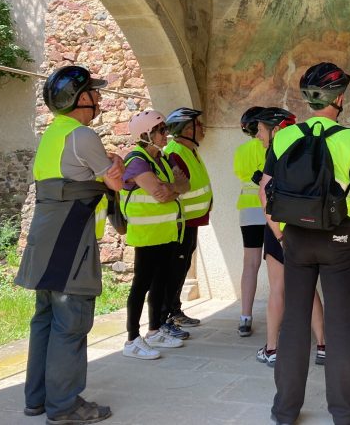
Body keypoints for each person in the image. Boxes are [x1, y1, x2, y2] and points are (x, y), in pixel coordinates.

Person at [261, 62, 350, 425]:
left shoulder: (283, 137)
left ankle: (285, 411)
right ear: (340, 98)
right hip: (338, 240)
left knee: (294, 323)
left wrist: (281, 234)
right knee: (340, 326)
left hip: (295, 238)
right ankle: (343, 412)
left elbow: (264, 190)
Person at [15, 65, 123, 424]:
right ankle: (64, 406)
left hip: (45, 238)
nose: (99, 98)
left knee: (45, 318)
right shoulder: (82, 136)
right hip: (70, 242)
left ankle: (38, 399)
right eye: (94, 92)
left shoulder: (53, 134)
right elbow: (116, 181)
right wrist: (117, 165)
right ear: (80, 98)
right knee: (71, 322)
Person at [251, 107, 326, 368]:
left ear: (275, 130)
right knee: (309, 288)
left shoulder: (275, 153)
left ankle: (272, 348)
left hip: (279, 229)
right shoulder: (304, 150)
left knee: (278, 290)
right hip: (304, 228)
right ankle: (323, 345)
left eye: (260, 130)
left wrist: (278, 235)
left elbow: (265, 195)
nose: (258, 135)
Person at [120, 110, 190, 360]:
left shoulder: (162, 158)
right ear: (145, 134)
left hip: (164, 232)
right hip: (147, 234)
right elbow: (159, 192)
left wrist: (170, 189)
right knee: (141, 285)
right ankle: (131, 339)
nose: (166, 134)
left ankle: (154, 330)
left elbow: (184, 185)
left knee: (160, 282)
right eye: (161, 130)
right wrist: (172, 189)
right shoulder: (136, 160)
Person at [162, 107, 212, 329]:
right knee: (174, 268)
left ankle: (174, 309)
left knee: (180, 267)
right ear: (187, 130)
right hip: (181, 221)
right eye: (198, 125)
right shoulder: (175, 153)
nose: (202, 128)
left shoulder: (189, 149)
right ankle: (169, 313)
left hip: (192, 219)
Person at [233, 106, 266, 337]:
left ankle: (245, 317)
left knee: (250, 264)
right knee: (279, 265)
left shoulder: (240, 151)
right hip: (270, 209)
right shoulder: (269, 147)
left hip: (248, 210)